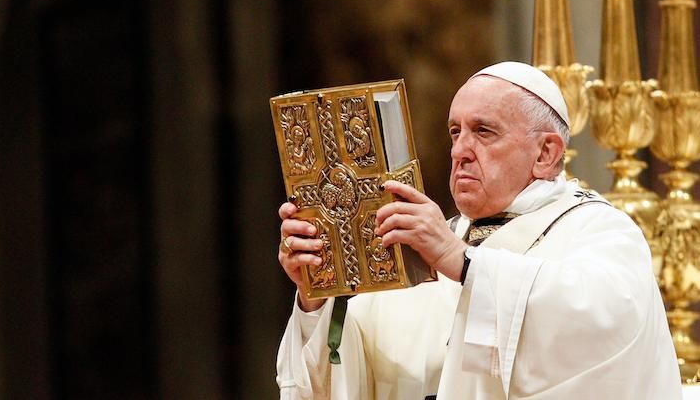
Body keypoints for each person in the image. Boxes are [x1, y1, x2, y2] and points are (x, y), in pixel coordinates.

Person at [275, 62, 681, 399]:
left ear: (546, 153)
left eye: (484, 131)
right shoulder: (425, 248)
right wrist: (316, 295)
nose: (459, 151)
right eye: (455, 132)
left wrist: (461, 262)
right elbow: (343, 369)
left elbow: (603, 323)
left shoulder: (597, 229)